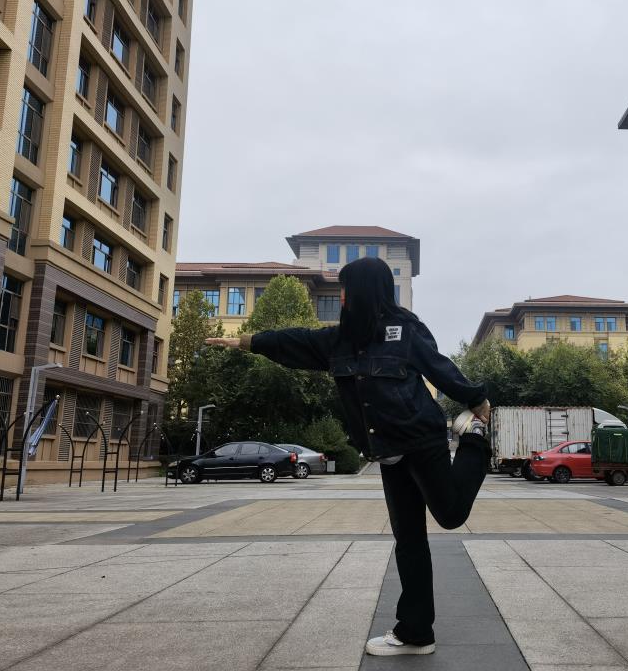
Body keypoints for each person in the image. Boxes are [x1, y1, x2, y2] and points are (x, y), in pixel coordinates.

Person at [205, 257, 491, 656]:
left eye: (345, 290)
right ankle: (416, 633)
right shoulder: (339, 341)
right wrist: (247, 342)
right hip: (388, 453)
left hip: (421, 440)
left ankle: (475, 441)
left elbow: (439, 367)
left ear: (363, 292)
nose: (341, 297)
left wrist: (475, 398)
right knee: (409, 542)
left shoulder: (405, 331)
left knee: (450, 515)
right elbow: (294, 341)